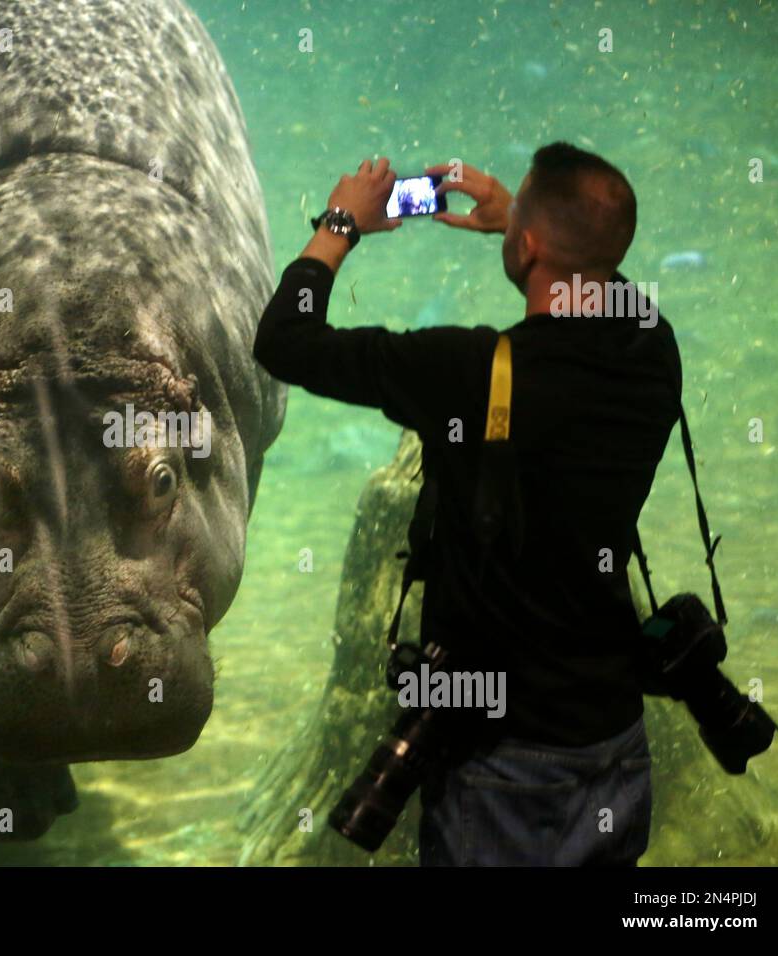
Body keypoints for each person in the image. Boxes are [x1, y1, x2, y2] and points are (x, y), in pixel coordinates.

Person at [252, 143, 682, 866]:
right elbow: (606, 281)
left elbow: (285, 341)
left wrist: (340, 225)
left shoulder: (470, 371)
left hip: (501, 758)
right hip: (613, 739)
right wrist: (528, 222)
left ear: (529, 245)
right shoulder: (652, 347)